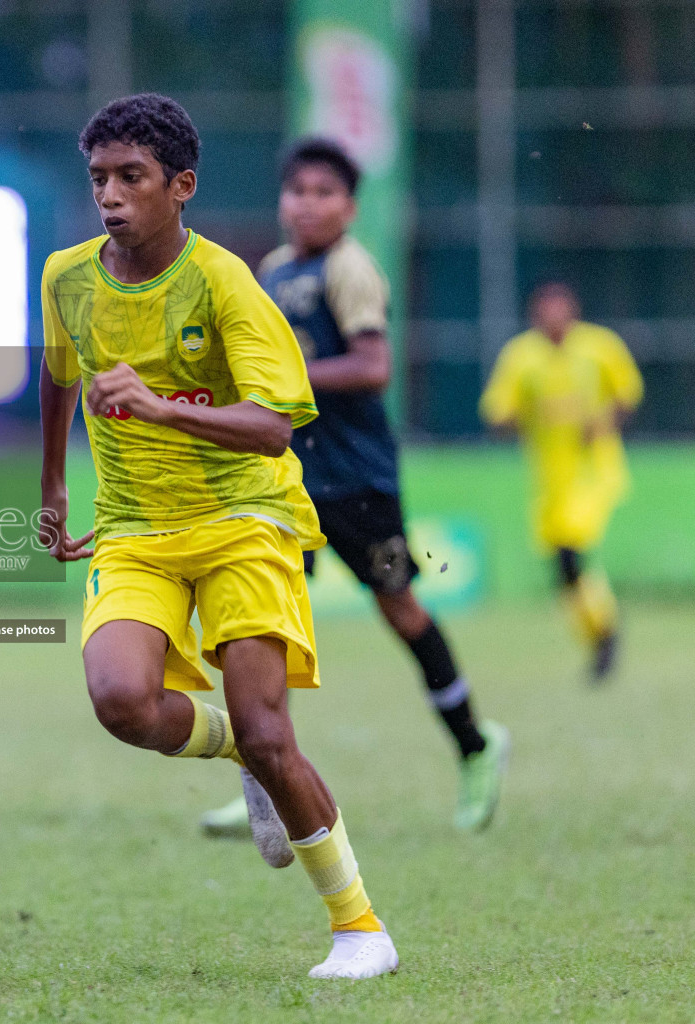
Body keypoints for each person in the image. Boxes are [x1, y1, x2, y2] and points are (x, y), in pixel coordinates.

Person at [39, 94, 399, 979]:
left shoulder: (228, 282)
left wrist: (160, 406)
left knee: (275, 734)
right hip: (134, 524)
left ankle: (361, 931)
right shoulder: (68, 277)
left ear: (181, 187)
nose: (111, 197)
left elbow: (277, 425)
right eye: (99, 180)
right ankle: (233, 741)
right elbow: (58, 372)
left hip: (247, 516)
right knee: (121, 701)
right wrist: (53, 481)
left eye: (132, 178)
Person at [201, 137, 508, 838]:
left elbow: (373, 367)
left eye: (324, 192)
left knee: (399, 607)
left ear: (350, 207)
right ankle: (269, 785)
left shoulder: (350, 270)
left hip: (359, 485)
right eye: (297, 190)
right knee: (264, 624)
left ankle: (475, 746)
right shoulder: (274, 272)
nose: (307, 204)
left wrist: (286, 382)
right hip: (287, 484)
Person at [480, 281, 641, 681]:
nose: (553, 316)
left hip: (594, 472)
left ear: (573, 308)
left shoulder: (600, 346)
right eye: (545, 308)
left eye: (560, 306)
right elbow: (499, 412)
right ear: (535, 313)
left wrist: (603, 424)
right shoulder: (521, 356)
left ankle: (607, 628)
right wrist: (515, 420)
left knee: (572, 553)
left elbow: (628, 394)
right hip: (550, 480)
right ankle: (601, 635)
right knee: (564, 571)